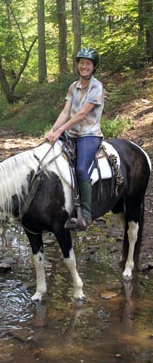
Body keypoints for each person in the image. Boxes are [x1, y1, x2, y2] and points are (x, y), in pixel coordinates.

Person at [45, 48, 104, 230]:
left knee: (80, 170)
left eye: (88, 64)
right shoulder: (73, 86)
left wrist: (61, 129)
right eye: (82, 63)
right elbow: (66, 112)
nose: (84, 66)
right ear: (78, 65)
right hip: (70, 134)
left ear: (93, 67)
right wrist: (52, 131)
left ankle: (86, 214)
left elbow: (82, 113)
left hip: (88, 135)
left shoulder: (97, 87)